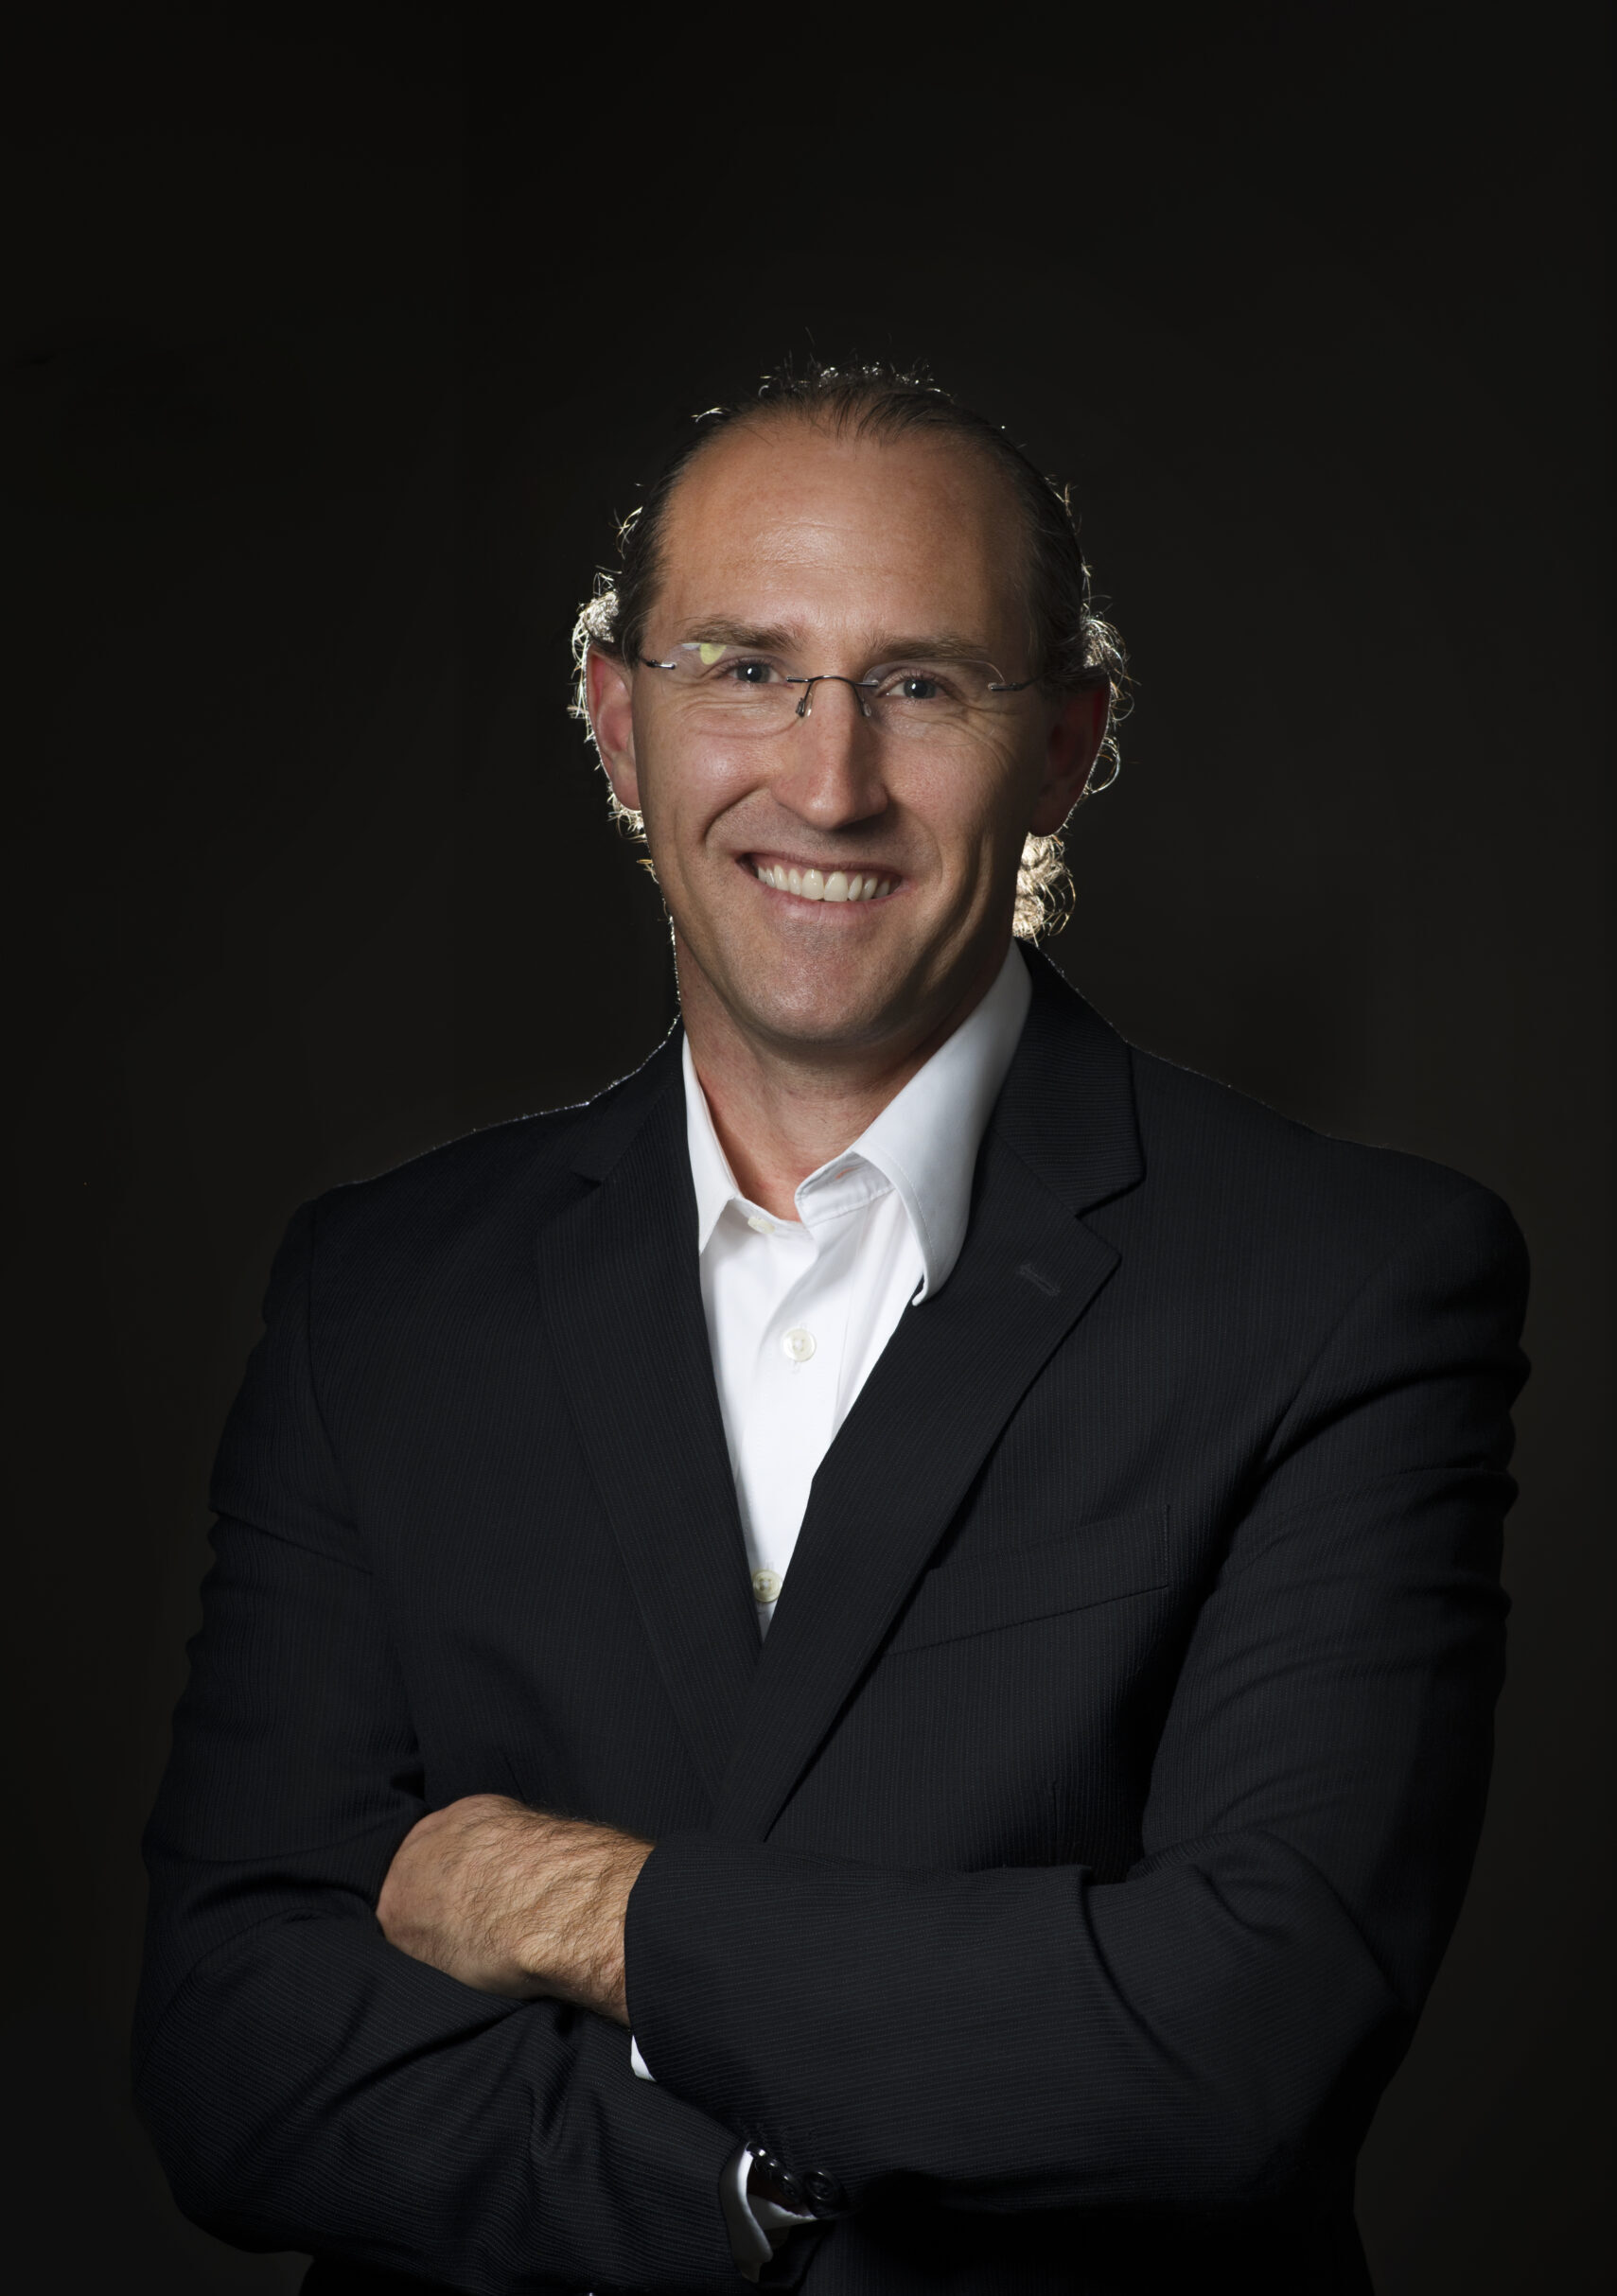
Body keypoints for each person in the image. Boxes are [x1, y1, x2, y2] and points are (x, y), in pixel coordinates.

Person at [135, 364, 1528, 2294]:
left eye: (923, 683)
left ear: (1065, 747)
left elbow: (1237, 2047)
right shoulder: (378, 1295)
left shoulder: (1342, 1286)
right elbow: (235, 2049)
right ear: (617, 725)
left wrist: (594, 1909)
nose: (828, 780)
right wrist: (747, 2185)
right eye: (746, 669)